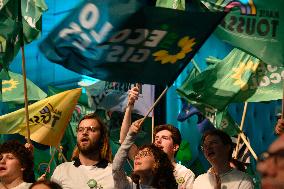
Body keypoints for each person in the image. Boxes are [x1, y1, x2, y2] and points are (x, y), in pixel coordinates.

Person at [119, 86, 195, 189]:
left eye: (164, 138)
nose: (158, 140)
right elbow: (124, 141)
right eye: (156, 138)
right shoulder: (145, 164)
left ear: (175, 147)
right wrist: (129, 106)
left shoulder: (185, 174)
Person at [51, 113, 114, 189]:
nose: (84, 133)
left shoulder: (114, 173)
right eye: (80, 130)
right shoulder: (62, 170)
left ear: (102, 137)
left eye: (91, 129)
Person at [113, 119, 178, 189]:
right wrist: (130, 135)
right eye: (137, 154)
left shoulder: (183, 174)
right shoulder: (129, 185)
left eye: (144, 154)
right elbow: (116, 168)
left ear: (156, 163)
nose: (137, 157)